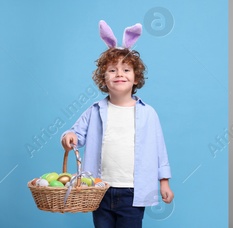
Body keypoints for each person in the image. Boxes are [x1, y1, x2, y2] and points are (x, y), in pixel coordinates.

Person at [62, 21, 174, 228]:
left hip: (133, 192)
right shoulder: (94, 111)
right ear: (103, 79)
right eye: (112, 70)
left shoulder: (148, 113)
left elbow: (160, 150)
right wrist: (68, 136)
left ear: (135, 78)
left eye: (126, 70)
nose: (119, 74)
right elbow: (75, 134)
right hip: (99, 189)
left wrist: (164, 182)